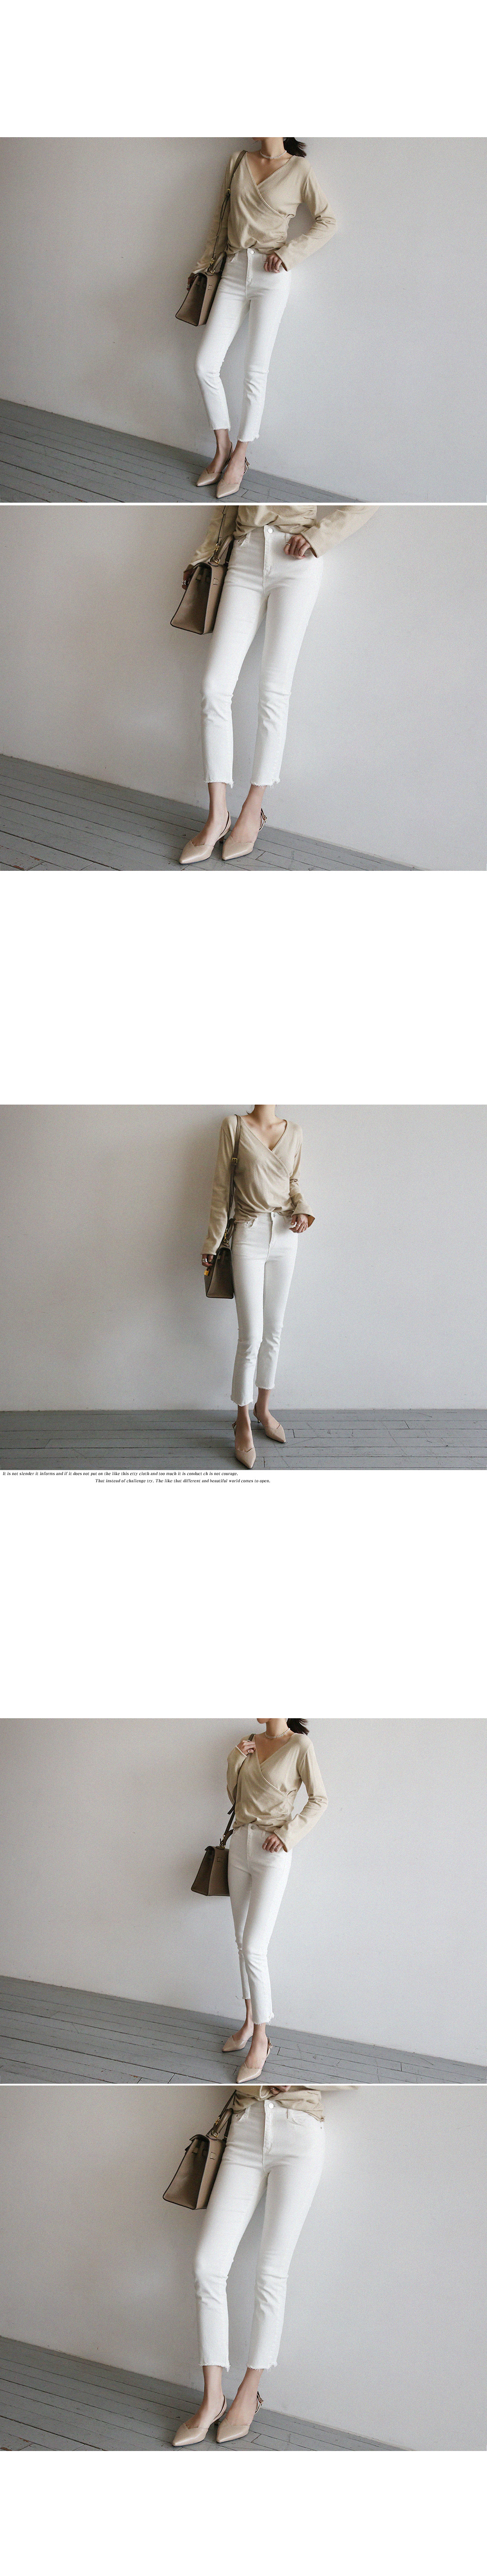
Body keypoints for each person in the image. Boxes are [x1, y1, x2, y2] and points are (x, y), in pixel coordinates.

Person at [187, 138, 336, 495]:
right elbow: (221, 220)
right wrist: (203, 265)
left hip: (272, 276)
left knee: (256, 370)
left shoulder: (299, 169)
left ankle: (240, 456)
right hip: (234, 270)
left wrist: (289, 253)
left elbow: (328, 221)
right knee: (205, 365)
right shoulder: (237, 161)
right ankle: (222, 448)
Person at [202, 1104, 313, 1466]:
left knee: (274, 1331)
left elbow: (294, 1182)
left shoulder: (295, 1132)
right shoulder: (234, 1126)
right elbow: (222, 1188)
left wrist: (303, 1207)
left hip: (286, 1235)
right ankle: (242, 1421)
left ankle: (263, 1409)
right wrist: (212, 1241)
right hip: (248, 1233)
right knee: (251, 1335)